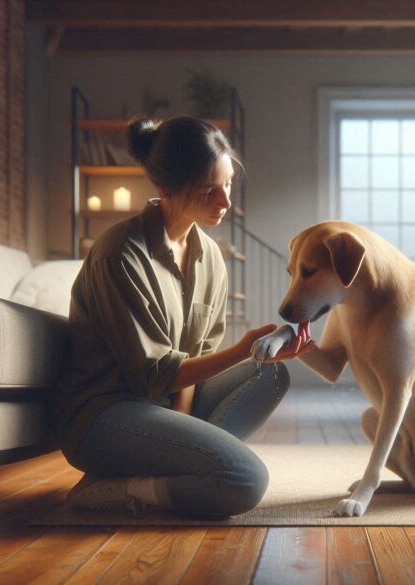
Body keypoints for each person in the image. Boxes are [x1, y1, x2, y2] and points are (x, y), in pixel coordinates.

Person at [51, 116, 311, 518]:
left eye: (227, 185)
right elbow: (156, 373)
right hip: (105, 416)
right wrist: (242, 348)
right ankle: (120, 489)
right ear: (165, 188)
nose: (225, 202)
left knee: (270, 372)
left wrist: (182, 424)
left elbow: (192, 364)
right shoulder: (120, 254)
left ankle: (172, 467)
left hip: (164, 403)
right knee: (245, 479)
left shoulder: (210, 260)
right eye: (209, 190)